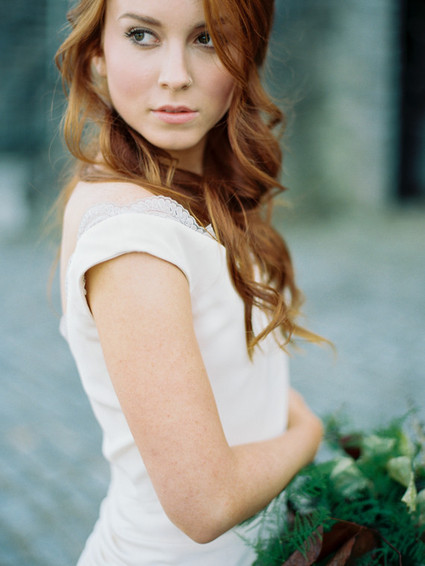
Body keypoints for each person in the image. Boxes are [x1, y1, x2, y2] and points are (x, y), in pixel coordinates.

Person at [56, 0, 324, 564]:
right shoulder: (134, 237)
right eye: (142, 35)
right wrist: (306, 436)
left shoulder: (186, 188)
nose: (175, 75)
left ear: (247, 52)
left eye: (207, 39)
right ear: (98, 51)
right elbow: (206, 505)